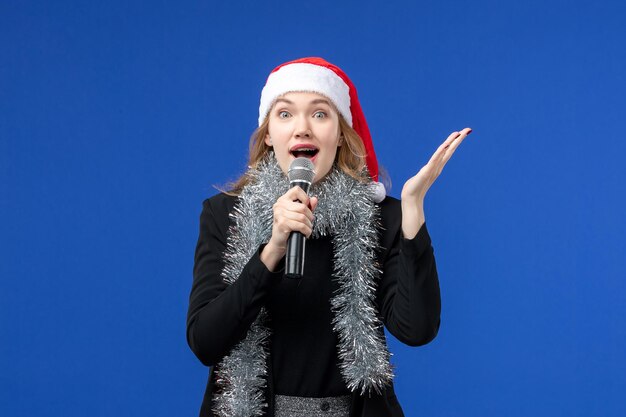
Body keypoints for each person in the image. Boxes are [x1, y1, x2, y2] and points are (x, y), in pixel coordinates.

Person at [186, 57, 471, 417]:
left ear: (340, 134)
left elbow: (417, 330)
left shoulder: (381, 216)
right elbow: (205, 342)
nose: (302, 128)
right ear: (269, 136)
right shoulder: (225, 214)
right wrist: (272, 249)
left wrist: (412, 210)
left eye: (320, 114)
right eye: (285, 114)